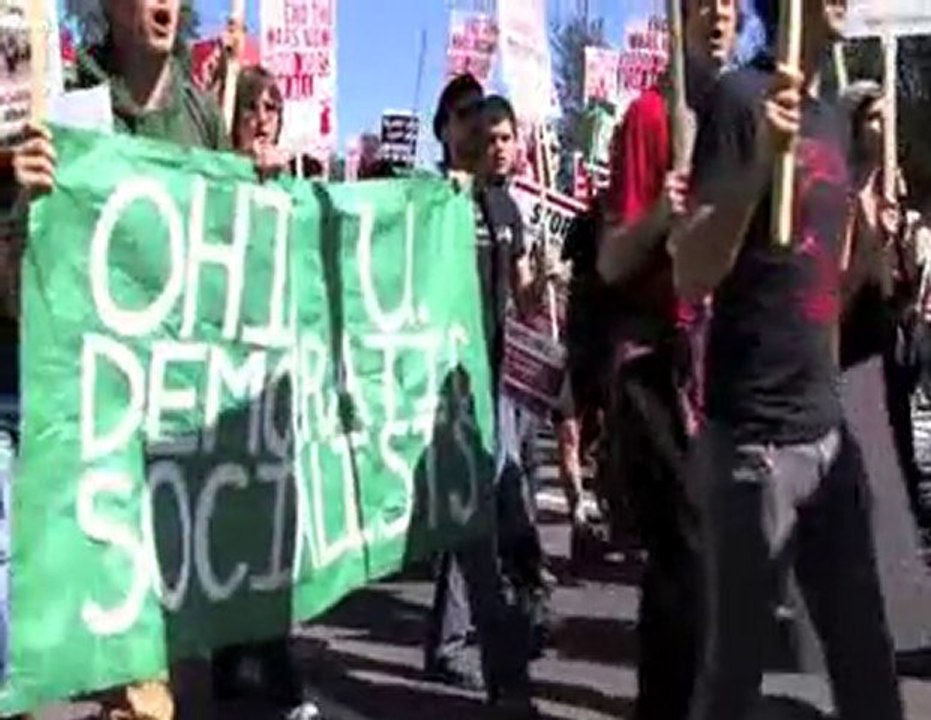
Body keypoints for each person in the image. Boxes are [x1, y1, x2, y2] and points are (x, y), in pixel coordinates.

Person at [9, 2, 278, 717]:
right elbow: (19, 274)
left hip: (170, 422)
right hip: (83, 416)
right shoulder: (62, 99)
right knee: (69, 637)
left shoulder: (201, 116)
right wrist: (18, 190)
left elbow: (225, 258)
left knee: (165, 654)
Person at [671, 0, 906, 717]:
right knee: (733, 675)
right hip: (753, 446)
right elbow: (692, 273)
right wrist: (752, 173)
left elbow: (825, 285)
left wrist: (872, 236)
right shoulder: (741, 99)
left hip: (825, 430)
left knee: (866, 661)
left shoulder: (831, 117)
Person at [593, 0, 739, 717]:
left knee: (709, 570)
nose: (720, 12)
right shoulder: (651, 118)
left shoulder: (746, 118)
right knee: (689, 561)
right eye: (704, 0)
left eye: (732, 2)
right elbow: (612, 259)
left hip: (728, 372)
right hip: (656, 367)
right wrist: (659, 217)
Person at [422, 74, 538, 720]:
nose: (473, 128)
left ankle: (478, 645)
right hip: (445, 388)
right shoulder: (432, 199)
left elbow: (517, 297)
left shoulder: (502, 206)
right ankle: (494, 665)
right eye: (463, 118)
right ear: (444, 129)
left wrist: (539, 281)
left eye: (483, 118)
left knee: (491, 517)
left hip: (494, 382)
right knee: (481, 521)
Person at [837, 80, 931, 654]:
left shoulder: (884, 200)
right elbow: (839, 289)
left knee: (896, 482)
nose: (882, 128)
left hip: (888, 359)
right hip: (852, 361)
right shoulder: (845, 198)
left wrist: (902, 258)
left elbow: (897, 295)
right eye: (873, 118)